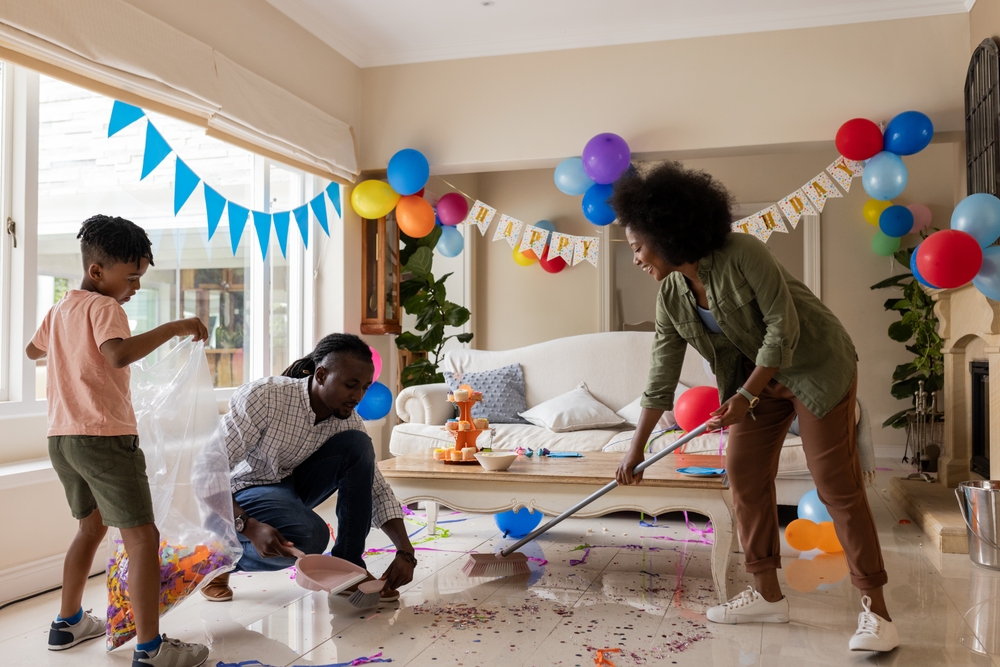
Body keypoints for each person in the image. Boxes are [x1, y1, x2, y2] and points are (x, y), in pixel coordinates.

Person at [611, 162, 898, 653]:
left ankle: (879, 613)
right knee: (743, 476)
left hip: (815, 365)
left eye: (637, 246)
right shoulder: (671, 298)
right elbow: (660, 377)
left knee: (836, 486)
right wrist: (635, 451)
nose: (636, 258)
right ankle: (767, 594)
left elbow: (782, 329)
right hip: (755, 381)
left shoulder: (743, 253)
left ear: (666, 233)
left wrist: (744, 397)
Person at [26, 215, 210, 666]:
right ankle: (150, 649)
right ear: (98, 273)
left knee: (90, 528)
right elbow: (118, 354)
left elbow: (33, 352)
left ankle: (67, 623)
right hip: (104, 439)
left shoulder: (61, 308)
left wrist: (67, 349)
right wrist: (174, 327)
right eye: (131, 278)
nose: (135, 288)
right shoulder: (104, 308)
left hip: (62, 439)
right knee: (143, 538)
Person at [200, 333, 417, 602]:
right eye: (351, 385)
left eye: (364, 387)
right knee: (311, 537)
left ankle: (348, 568)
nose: (358, 396)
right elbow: (206, 470)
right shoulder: (265, 396)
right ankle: (216, 558)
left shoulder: (347, 421)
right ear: (322, 375)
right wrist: (248, 526)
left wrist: (405, 550)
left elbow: (377, 489)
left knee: (359, 446)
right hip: (243, 492)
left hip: (288, 488)